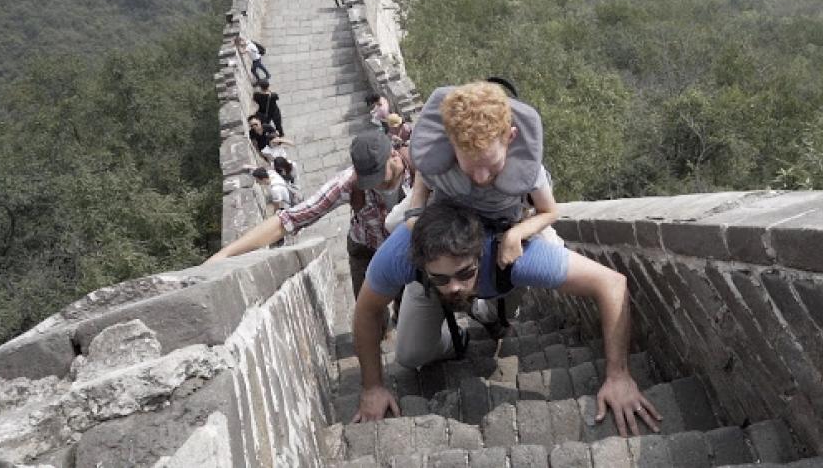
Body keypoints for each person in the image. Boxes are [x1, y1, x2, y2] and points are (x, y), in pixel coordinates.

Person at [351, 81, 660, 437]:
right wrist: (372, 386)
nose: (481, 180)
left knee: (530, 263)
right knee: (409, 355)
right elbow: (366, 307)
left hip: (506, 238)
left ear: (511, 137)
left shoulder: (526, 182)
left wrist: (618, 376)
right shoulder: (432, 179)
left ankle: (489, 306)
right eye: (471, 169)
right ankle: (450, 319)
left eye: (491, 169)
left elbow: (610, 280)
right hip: (437, 233)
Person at [205, 131, 411, 298]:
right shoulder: (349, 183)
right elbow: (289, 220)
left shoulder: (421, 167)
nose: (374, 184)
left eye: (378, 177)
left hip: (408, 249)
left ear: (393, 155)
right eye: (368, 179)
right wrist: (224, 255)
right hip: (367, 248)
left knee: (405, 301)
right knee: (370, 312)